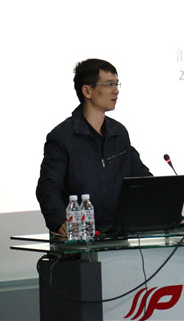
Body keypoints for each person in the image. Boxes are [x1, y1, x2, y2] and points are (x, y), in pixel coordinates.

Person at [35, 58, 151, 235]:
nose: (116, 90)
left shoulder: (119, 133)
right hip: (78, 236)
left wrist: (174, 217)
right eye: (109, 84)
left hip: (117, 235)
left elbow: (142, 178)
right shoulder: (62, 137)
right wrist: (60, 222)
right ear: (87, 91)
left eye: (117, 84)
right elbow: (48, 188)